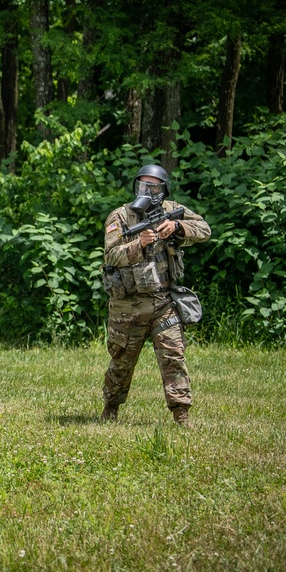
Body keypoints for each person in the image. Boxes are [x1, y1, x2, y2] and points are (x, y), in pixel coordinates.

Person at [100, 165, 211, 428]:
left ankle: (181, 414)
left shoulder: (172, 208)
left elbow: (204, 230)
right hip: (128, 305)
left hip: (164, 301)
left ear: (163, 190)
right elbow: (111, 255)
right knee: (121, 362)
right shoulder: (120, 216)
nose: (148, 192)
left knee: (174, 356)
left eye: (154, 187)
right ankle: (111, 408)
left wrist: (177, 227)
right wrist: (139, 244)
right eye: (143, 186)